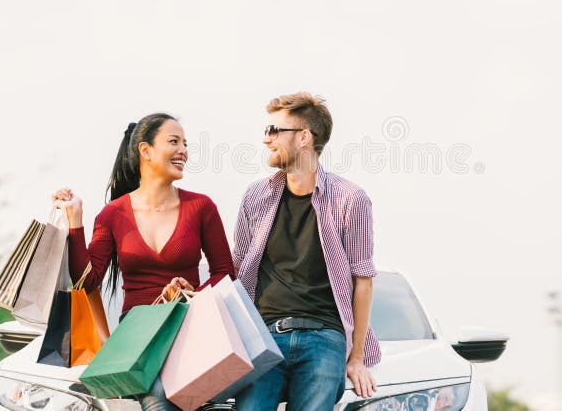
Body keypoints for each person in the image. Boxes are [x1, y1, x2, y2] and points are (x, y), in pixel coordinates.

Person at [52, 112, 235, 411]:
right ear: (146, 151)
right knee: (159, 396)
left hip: (188, 328)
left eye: (185, 144)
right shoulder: (113, 214)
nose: (184, 151)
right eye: (174, 142)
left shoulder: (201, 206)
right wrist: (75, 220)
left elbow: (225, 273)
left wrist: (192, 293)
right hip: (139, 338)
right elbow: (87, 282)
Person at [230, 92, 381, 410]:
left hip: (324, 337)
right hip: (263, 338)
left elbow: (363, 281)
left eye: (273, 131)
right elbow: (237, 267)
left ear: (303, 137)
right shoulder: (256, 196)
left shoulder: (350, 200)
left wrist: (356, 358)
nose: (265, 140)